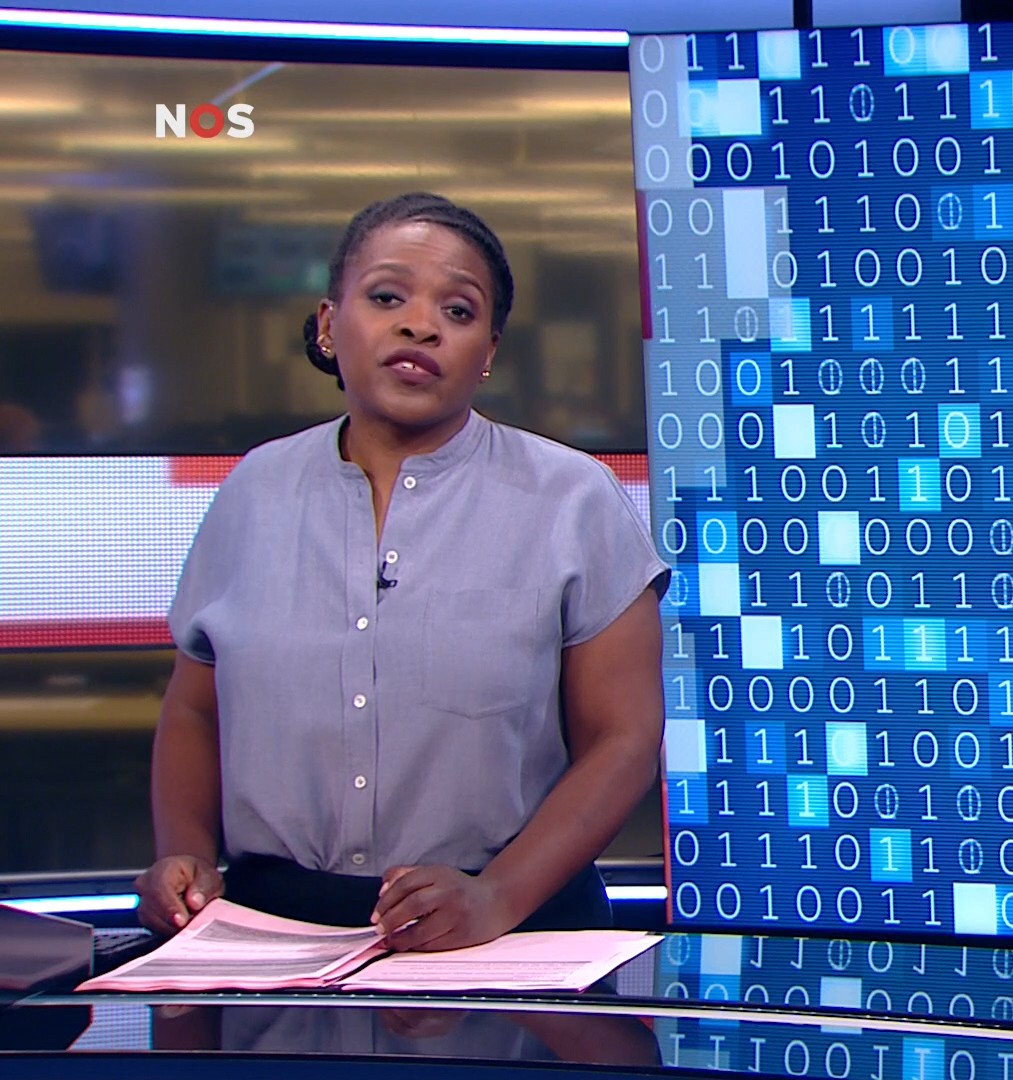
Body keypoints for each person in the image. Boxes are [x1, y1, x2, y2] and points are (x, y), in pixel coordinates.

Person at [134, 192, 667, 951]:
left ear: (488, 351)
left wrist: (496, 896)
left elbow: (624, 738)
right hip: (270, 930)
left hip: (510, 930)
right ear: (328, 324)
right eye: (387, 297)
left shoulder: (573, 498)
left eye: (458, 311)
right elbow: (194, 709)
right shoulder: (253, 490)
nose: (421, 325)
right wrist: (182, 856)